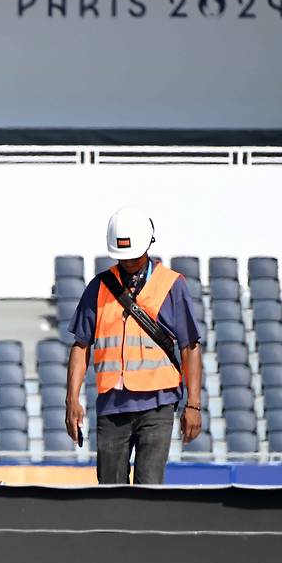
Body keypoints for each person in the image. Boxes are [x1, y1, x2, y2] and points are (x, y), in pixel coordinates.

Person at [65, 207, 202, 484]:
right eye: (121, 256)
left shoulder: (172, 285)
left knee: (148, 492)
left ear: (148, 243)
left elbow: (190, 347)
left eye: (133, 254)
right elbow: (81, 346)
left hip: (157, 405)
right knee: (110, 494)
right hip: (112, 407)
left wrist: (194, 405)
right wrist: (71, 400)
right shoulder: (99, 287)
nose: (127, 261)